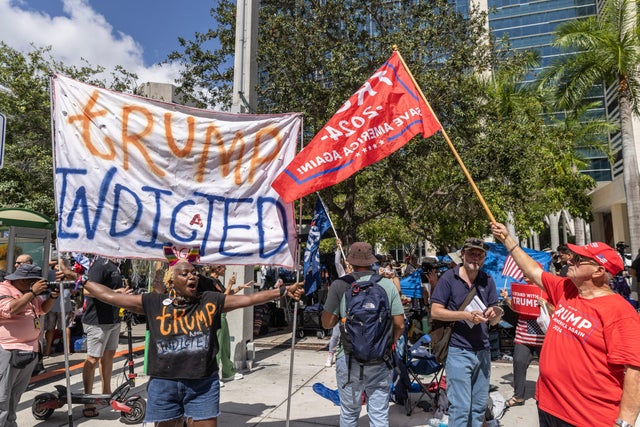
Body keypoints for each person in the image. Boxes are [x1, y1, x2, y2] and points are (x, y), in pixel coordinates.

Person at [83, 253, 304, 427]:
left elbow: (248, 298)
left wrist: (282, 291)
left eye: (194, 273)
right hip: (164, 384)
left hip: (202, 385)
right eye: (185, 274)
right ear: (171, 280)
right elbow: (110, 296)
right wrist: (82, 280)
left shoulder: (211, 301)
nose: (193, 276)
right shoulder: (153, 302)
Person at [491, 222, 640, 427]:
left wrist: (625, 423)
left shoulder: (621, 313)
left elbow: (635, 370)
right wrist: (506, 239)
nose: (571, 261)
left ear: (598, 271)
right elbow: (534, 271)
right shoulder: (567, 289)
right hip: (548, 406)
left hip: (587, 419)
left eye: (578, 259)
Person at [321, 241, 405, 427]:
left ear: (350, 262)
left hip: (349, 358)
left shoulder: (339, 285)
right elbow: (400, 324)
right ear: (371, 261)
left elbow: (326, 323)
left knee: (349, 413)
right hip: (380, 359)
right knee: (379, 415)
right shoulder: (387, 285)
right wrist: (388, 342)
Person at [430, 238, 503, 427]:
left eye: (480, 255)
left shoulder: (487, 280)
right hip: (458, 350)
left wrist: (496, 313)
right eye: (471, 253)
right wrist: (465, 315)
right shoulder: (448, 278)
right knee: (460, 407)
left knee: (479, 407)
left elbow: (494, 320)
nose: (475, 258)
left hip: (483, 350)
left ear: (484, 258)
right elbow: (435, 311)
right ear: (462, 255)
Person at [0, 263, 59, 427]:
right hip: (8, 350)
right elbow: (11, 309)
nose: (34, 283)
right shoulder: (4, 289)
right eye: (33, 281)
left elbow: (43, 310)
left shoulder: (27, 292)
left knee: (15, 394)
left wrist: (53, 297)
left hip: (28, 350)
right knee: (2, 396)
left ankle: (10, 424)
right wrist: (32, 292)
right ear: (23, 280)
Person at [81, 257, 129, 418]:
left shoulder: (115, 265)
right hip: (97, 321)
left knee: (108, 357)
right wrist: (115, 293)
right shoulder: (100, 264)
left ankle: (106, 393)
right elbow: (86, 290)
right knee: (93, 358)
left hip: (113, 319)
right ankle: (88, 399)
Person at [499, 277, 554, 408]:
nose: (524, 274)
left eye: (526, 272)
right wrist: (507, 299)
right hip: (523, 336)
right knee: (518, 363)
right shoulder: (521, 289)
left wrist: (546, 304)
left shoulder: (548, 290)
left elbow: (556, 310)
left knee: (547, 369)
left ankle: (546, 397)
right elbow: (517, 308)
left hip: (544, 337)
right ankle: (518, 396)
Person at [197, 265, 253, 383]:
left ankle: (228, 372)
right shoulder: (210, 282)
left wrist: (239, 287)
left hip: (222, 316)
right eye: (223, 267)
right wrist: (230, 284)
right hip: (216, 316)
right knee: (217, 346)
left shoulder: (217, 281)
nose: (225, 269)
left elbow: (227, 294)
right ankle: (214, 376)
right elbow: (221, 298)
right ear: (216, 269)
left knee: (225, 346)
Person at [325, 239, 352, 368]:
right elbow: (337, 262)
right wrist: (338, 249)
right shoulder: (343, 276)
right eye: (348, 267)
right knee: (336, 334)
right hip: (342, 310)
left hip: (354, 311)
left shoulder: (359, 279)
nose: (349, 268)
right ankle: (330, 355)